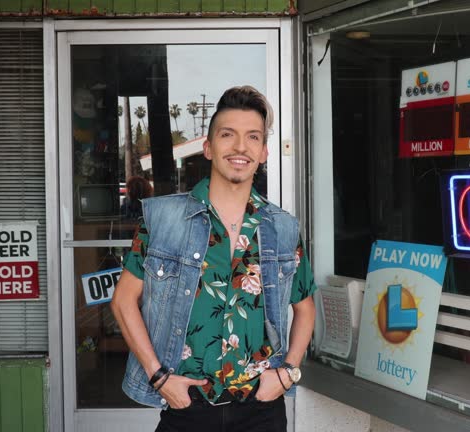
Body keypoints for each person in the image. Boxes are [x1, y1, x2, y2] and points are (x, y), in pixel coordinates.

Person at [111, 86, 317, 432]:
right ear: (208, 147)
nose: (240, 147)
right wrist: (159, 377)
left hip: (260, 409)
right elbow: (123, 302)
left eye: (253, 137)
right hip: (187, 406)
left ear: (264, 152)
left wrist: (287, 374)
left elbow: (305, 308)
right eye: (228, 135)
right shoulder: (164, 220)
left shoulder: (282, 228)